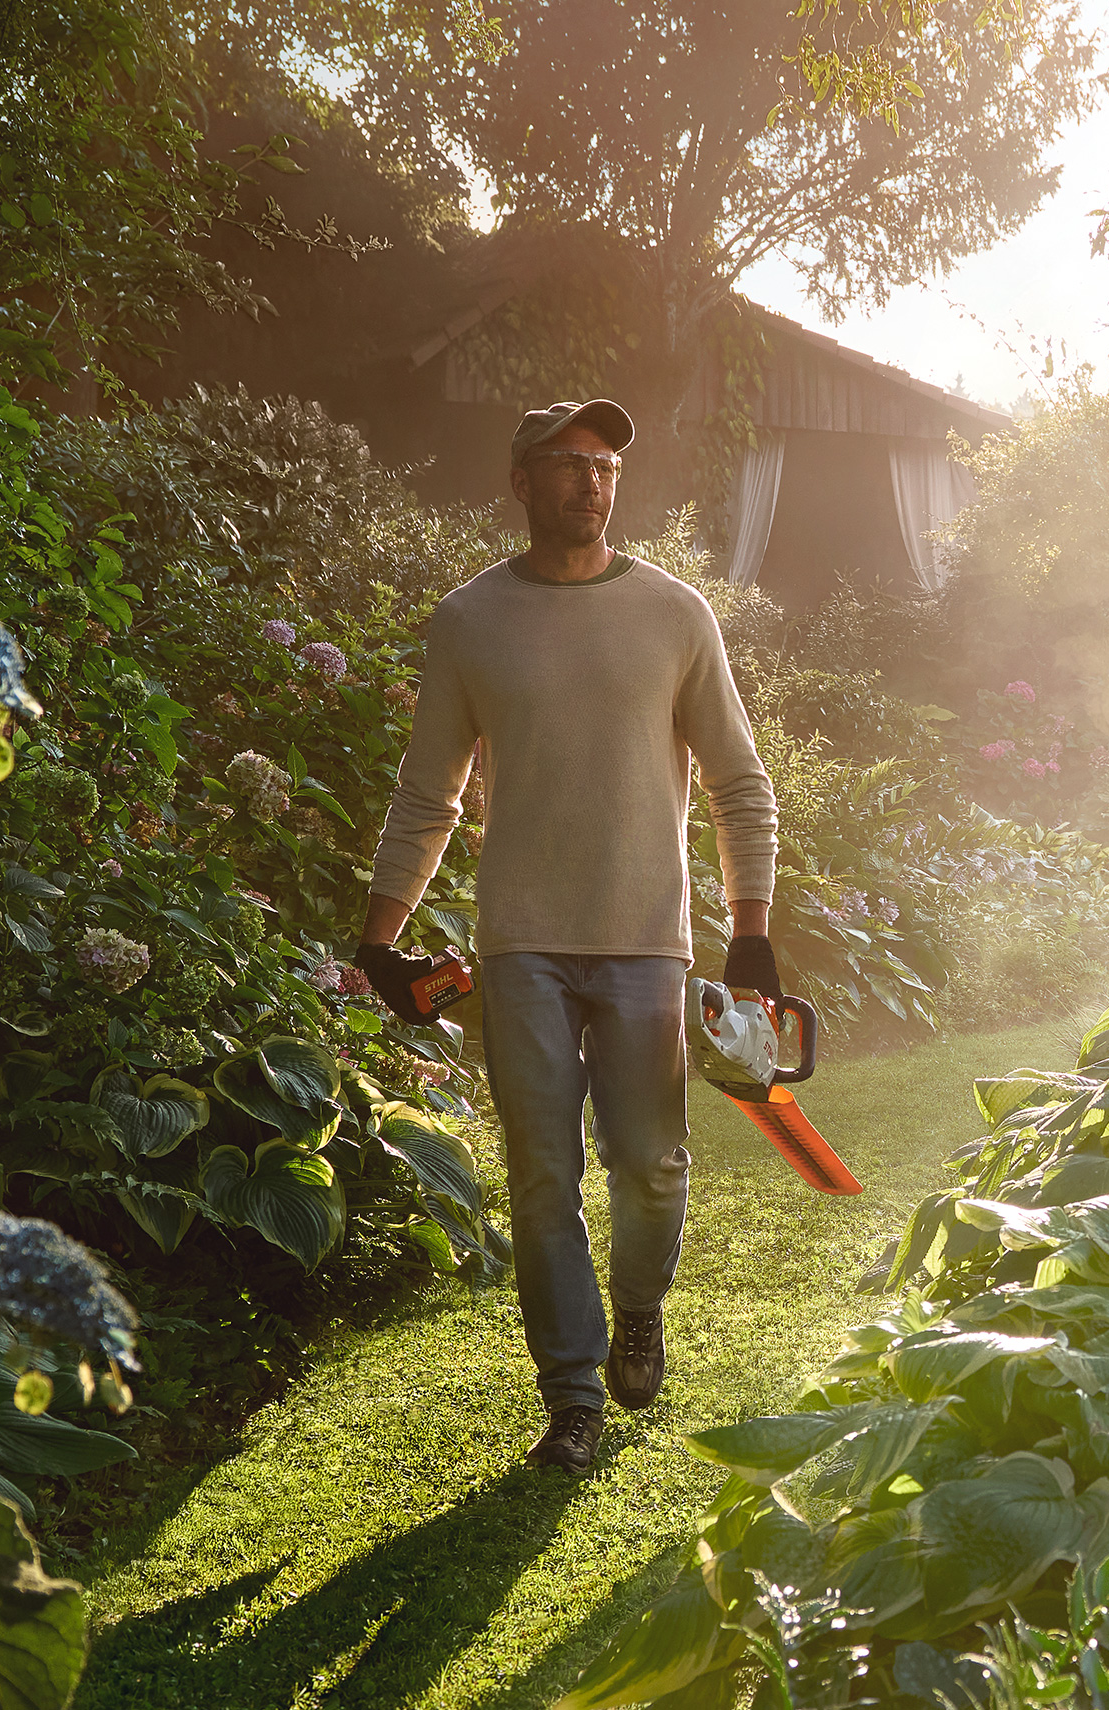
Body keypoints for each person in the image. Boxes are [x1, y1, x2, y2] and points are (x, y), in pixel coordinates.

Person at [353, 399, 780, 1472]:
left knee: (651, 1163)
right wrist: (379, 936)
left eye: (605, 466)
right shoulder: (469, 622)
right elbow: (427, 794)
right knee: (540, 1175)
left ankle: (639, 1308)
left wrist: (752, 933)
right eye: (567, 463)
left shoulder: (676, 615)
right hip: (521, 944)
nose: (591, 482)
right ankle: (572, 1396)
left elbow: (736, 781)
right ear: (522, 480)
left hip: (646, 938)